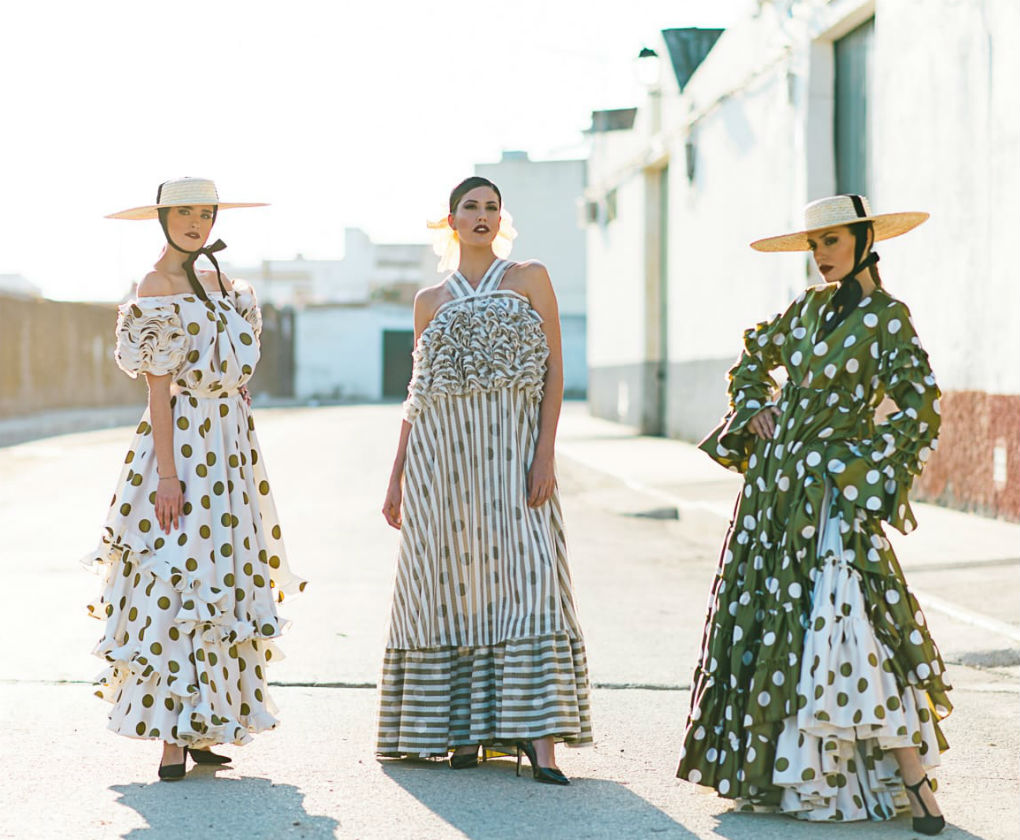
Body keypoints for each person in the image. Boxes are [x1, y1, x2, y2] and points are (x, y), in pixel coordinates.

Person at [677, 195, 949, 834]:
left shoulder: (888, 319)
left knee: (853, 620)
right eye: (813, 244)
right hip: (773, 494)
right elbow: (752, 358)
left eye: (831, 241)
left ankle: (913, 780)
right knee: (781, 622)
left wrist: (856, 465)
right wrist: (755, 409)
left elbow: (922, 410)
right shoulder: (806, 309)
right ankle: (792, 775)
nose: (820, 255)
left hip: (831, 493)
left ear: (862, 241)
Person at [83, 176, 305, 781]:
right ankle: (170, 737)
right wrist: (168, 476)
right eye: (183, 212)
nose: (195, 222)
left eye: (205, 213)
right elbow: (158, 392)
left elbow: (234, 365)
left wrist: (234, 397)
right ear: (162, 219)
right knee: (177, 576)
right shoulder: (154, 286)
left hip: (231, 447)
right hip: (181, 443)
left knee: (223, 578)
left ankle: (208, 721)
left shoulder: (225, 283)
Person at [376, 176, 592, 784]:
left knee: (531, 580)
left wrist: (545, 454)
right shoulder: (429, 299)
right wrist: (396, 476)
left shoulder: (530, 277)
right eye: (470, 207)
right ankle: (462, 731)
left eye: (492, 207)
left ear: (501, 219)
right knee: (454, 587)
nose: (482, 215)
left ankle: (541, 740)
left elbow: (555, 372)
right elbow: (418, 393)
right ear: (451, 221)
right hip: (442, 464)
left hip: (514, 456)